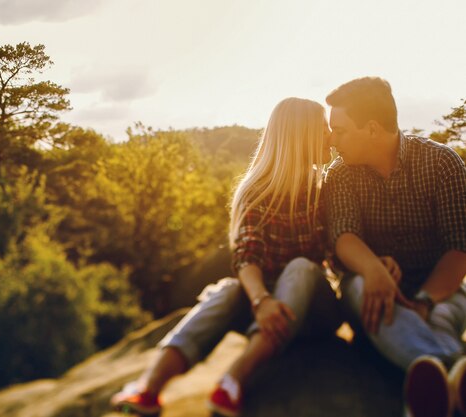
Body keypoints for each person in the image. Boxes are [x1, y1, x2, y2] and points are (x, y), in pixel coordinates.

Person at [111, 97, 342, 416]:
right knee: (227, 289)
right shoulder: (257, 191)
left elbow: (344, 245)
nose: (331, 135)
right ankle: (149, 389)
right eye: (323, 128)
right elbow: (246, 256)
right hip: (267, 308)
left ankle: (233, 382)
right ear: (301, 136)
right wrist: (261, 301)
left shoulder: (328, 187)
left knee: (301, 268)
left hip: (317, 311)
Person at [323, 76, 466, 417]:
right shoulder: (340, 174)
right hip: (371, 288)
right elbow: (343, 234)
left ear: (371, 129)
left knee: (443, 315)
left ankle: (432, 385)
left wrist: (424, 301)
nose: (331, 139)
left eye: (339, 130)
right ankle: (452, 371)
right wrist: (373, 268)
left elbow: (459, 248)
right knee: (363, 291)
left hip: (440, 292)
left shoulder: (442, 163)